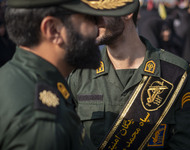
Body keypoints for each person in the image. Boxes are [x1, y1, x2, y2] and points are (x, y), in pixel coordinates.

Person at [0, 0, 138, 149]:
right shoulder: (43, 123)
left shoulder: (17, 78)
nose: (97, 29)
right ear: (53, 30)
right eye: (90, 19)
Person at [68, 0, 190, 149]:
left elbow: (185, 144)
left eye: (99, 11)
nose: (91, 20)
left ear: (126, 12)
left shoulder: (174, 73)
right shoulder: (80, 75)